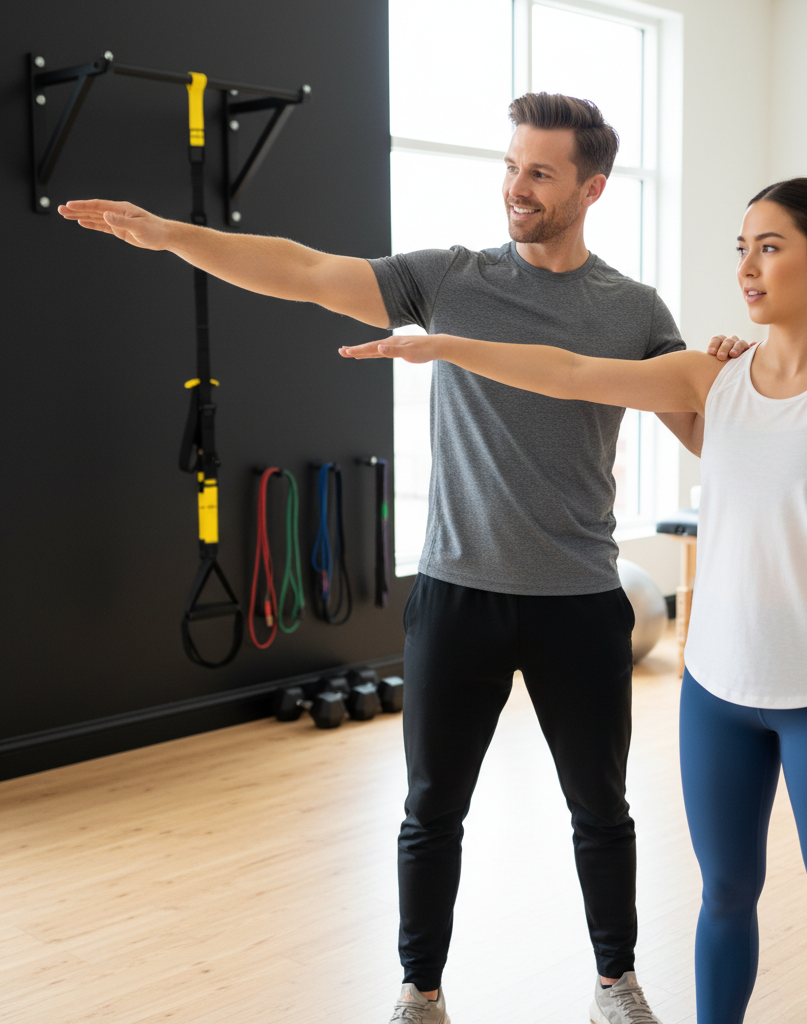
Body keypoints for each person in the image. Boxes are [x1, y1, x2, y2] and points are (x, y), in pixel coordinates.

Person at [59, 93, 748, 1024]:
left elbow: (705, 436)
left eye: (541, 173)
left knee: (601, 809)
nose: (517, 187)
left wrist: (726, 370)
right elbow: (303, 270)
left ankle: (613, 983)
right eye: (511, 166)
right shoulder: (451, 278)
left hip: (580, 600)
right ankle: (420, 992)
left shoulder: (632, 310)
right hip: (458, 593)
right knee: (432, 810)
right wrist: (172, 235)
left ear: (592, 188)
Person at [341, 176, 807, 1023]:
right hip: (717, 694)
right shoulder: (710, 378)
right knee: (724, 898)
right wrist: (446, 347)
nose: (747, 267)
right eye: (742, 249)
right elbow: (572, 373)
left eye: (770, 248)